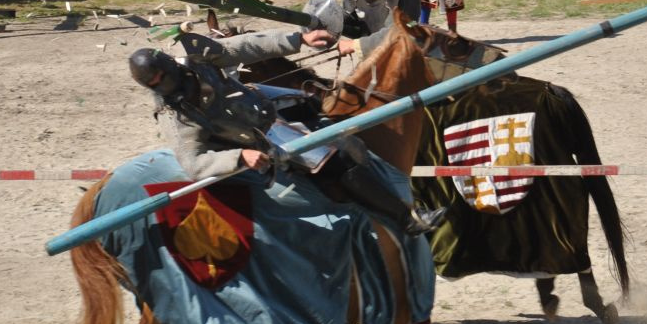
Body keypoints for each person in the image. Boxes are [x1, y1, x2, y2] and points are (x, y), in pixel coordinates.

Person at [127, 27, 444, 235]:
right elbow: (194, 162)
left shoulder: (195, 57)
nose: (164, 85)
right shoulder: (173, 114)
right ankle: (407, 219)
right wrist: (240, 156)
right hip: (253, 135)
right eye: (155, 84)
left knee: (315, 102)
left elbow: (247, 45)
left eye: (163, 77)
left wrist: (299, 40)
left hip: (257, 100)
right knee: (332, 160)